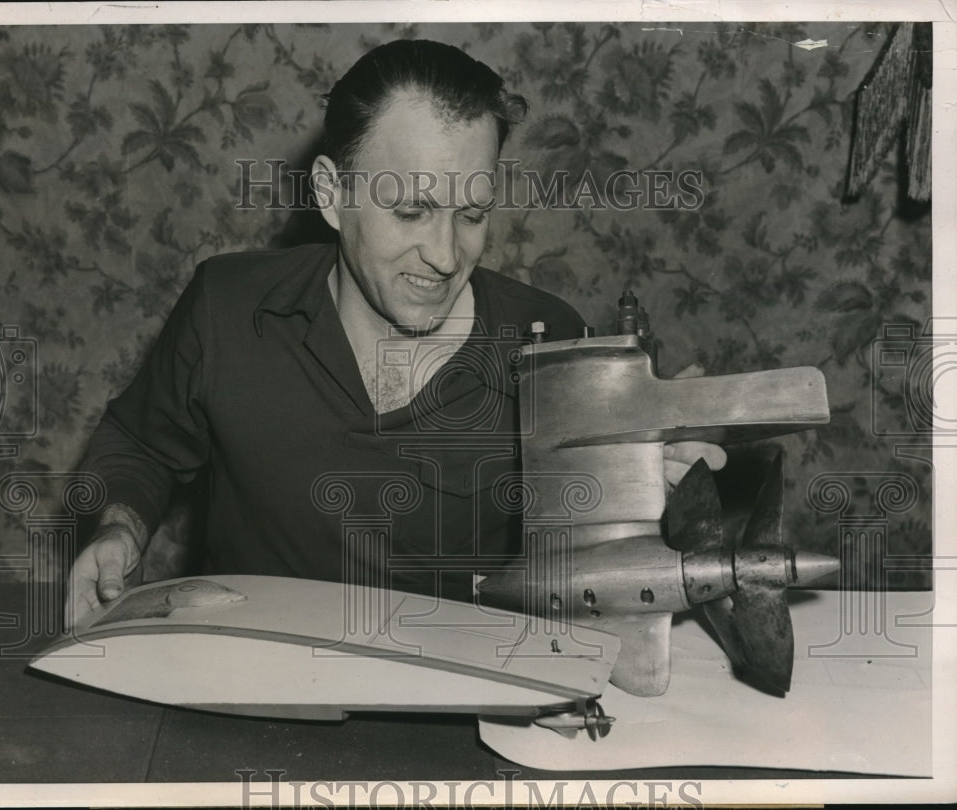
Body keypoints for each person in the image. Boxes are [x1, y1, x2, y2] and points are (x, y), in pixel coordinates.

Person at [65, 39, 725, 629]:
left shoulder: (551, 341)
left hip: (464, 712)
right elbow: (138, 443)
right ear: (331, 194)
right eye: (411, 210)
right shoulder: (226, 306)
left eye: (471, 213)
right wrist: (118, 529)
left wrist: (655, 504)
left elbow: (588, 568)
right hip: (259, 692)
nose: (444, 254)